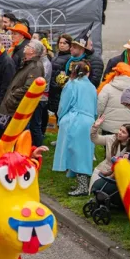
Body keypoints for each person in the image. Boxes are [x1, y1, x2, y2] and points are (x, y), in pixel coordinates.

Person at [52, 61, 98, 196]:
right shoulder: (92, 87)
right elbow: (95, 107)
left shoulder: (71, 85)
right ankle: (83, 183)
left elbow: (63, 105)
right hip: (89, 120)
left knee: (77, 153)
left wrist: (61, 118)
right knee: (85, 153)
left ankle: (83, 186)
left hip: (75, 120)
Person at [0, 40, 46, 143]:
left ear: (32, 51)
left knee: (19, 136)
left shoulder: (35, 67)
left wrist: (12, 95)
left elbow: (29, 88)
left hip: (18, 106)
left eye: (28, 45)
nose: (26, 46)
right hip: (15, 104)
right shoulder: (28, 63)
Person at [90, 119, 130, 191]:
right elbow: (95, 139)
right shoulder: (111, 138)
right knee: (96, 190)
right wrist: (95, 127)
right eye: (120, 130)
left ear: (129, 137)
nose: (119, 133)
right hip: (105, 168)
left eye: (123, 132)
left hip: (121, 175)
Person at [97, 63, 130, 134]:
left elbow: (100, 105)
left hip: (109, 127)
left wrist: (98, 117)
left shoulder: (107, 87)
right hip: (128, 128)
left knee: (108, 144)